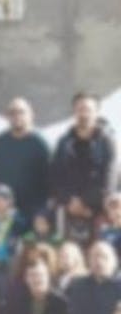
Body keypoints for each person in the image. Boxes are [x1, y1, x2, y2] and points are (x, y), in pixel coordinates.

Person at [50, 92, 117, 242]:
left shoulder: (108, 142)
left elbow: (109, 180)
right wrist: (69, 201)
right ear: (74, 112)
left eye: (88, 109)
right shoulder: (64, 142)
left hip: (98, 210)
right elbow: (55, 176)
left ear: (97, 112)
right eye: (80, 109)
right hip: (68, 209)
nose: (84, 114)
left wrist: (85, 202)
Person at [0, 98, 51, 218]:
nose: (17, 116)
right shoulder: (0, 141)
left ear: (31, 115)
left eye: (21, 112)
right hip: (6, 210)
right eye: (12, 112)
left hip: (34, 210)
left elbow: (50, 179)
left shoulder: (41, 143)